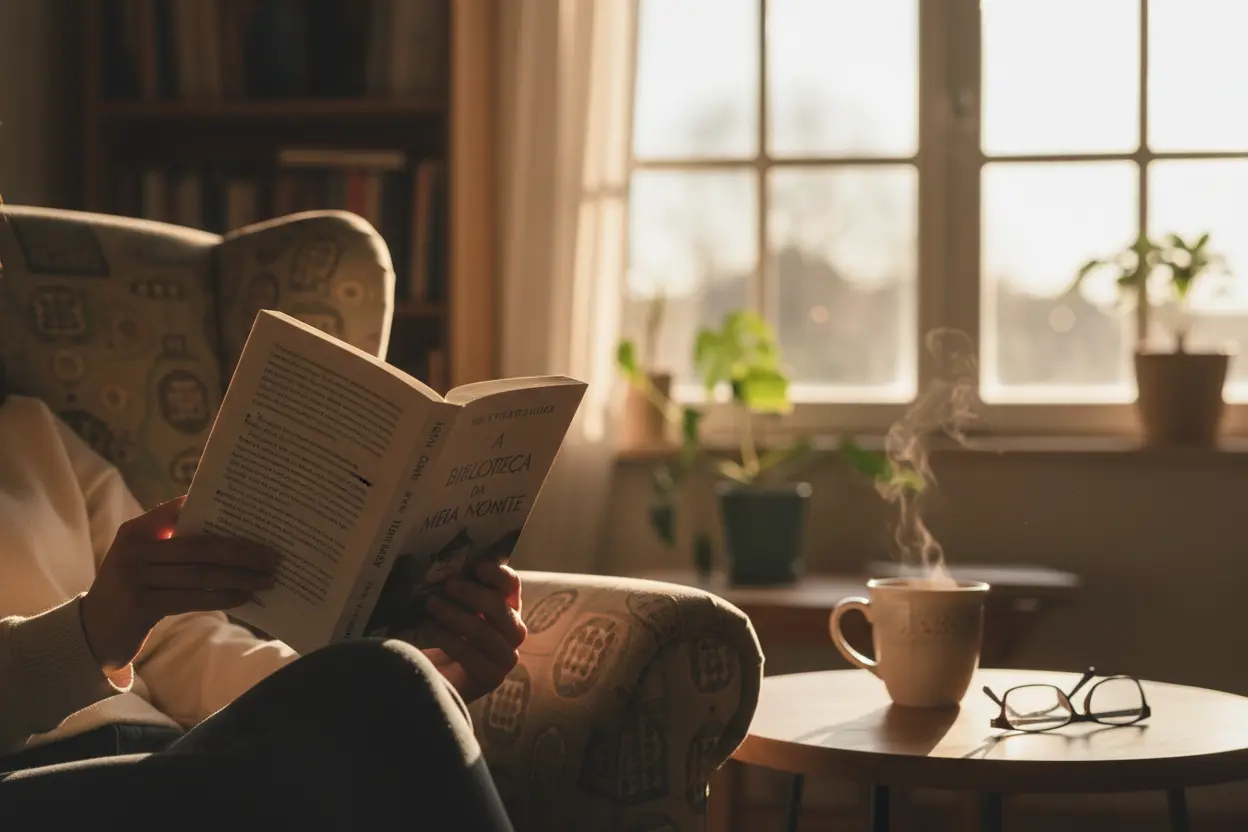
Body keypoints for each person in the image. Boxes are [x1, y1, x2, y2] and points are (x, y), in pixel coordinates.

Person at [0, 389, 524, 831]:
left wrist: (420, 673)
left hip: (169, 758)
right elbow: (102, 629)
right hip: (34, 785)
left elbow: (180, 643)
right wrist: (87, 636)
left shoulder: (30, 433)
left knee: (389, 682)